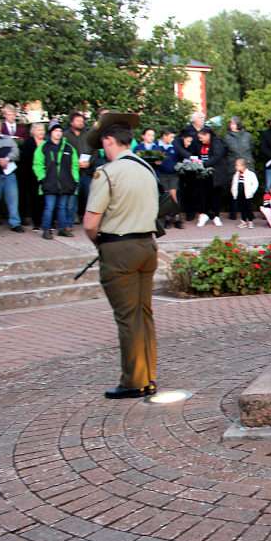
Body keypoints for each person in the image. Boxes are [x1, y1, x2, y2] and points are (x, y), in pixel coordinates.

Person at [81, 113, 159, 399]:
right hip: (147, 246)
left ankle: (133, 381)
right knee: (143, 314)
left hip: (118, 248)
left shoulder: (108, 173)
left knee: (127, 317)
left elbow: (90, 223)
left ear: (109, 140)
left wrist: (98, 243)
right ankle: (148, 376)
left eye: (103, 142)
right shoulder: (146, 168)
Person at [34, 122, 79, 240]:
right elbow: (38, 164)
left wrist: (75, 180)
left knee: (62, 207)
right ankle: (46, 229)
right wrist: (42, 178)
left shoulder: (69, 148)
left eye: (60, 131)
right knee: (49, 207)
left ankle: (62, 229)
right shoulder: (44, 147)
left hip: (65, 182)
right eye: (56, 131)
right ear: (51, 133)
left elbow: (74, 165)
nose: (58, 133)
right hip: (49, 182)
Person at [0, 116, 23, 233]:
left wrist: (7, 159)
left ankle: (15, 223)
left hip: (9, 173)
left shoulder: (8, 139)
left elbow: (16, 152)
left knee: (13, 199)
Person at [194, 127, 228, 227]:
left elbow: (217, 157)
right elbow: (196, 155)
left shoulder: (217, 143)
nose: (200, 139)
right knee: (203, 195)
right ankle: (203, 215)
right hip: (203, 175)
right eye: (199, 138)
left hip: (216, 174)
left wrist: (204, 164)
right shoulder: (199, 144)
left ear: (208, 135)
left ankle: (216, 216)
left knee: (216, 195)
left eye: (201, 137)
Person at [63, 112, 93, 220]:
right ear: (71, 122)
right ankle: (72, 218)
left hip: (87, 170)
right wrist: (74, 164)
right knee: (72, 196)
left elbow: (95, 151)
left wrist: (90, 162)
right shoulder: (65, 135)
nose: (81, 123)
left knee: (89, 194)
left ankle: (89, 217)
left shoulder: (88, 134)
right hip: (71, 171)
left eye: (82, 121)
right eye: (78, 121)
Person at [224, 117, 254, 219]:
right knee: (234, 189)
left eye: (234, 123)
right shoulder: (227, 137)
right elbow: (226, 151)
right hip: (233, 165)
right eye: (230, 123)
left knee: (248, 188)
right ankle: (233, 212)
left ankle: (249, 212)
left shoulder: (247, 135)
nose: (232, 125)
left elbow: (251, 147)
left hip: (247, 164)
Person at [19, 123, 47, 230]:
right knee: (34, 198)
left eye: (43, 130)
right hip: (30, 175)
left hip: (44, 174)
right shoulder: (28, 143)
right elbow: (25, 161)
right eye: (39, 130)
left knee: (43, 198)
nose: (41, 132)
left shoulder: (46, 143)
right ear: (33, 131)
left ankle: (45, 220)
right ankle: (36, 222)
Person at [155, 130, 182, 229]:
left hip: (173, 175)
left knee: (173, 195)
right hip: (162, 175)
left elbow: (179, 158)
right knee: (166, 197)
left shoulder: (174, 147)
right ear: (164, 136)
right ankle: (167, 219)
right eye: (171, 137)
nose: (172, 139)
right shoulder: (157, 146)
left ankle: (177, 218)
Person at [231, 158, 259, 228]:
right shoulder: (236, 175)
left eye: (238, 165)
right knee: (242, 208)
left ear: (243, 166)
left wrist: (252, 192)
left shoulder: (250, 174)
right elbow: (234, 184)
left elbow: (255, 184)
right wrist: (233, 192)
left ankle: (250, 221)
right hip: (239, 194)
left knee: (248, 208)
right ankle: (243, 221)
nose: (236, 167)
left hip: (247, 195)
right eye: (236, 165)